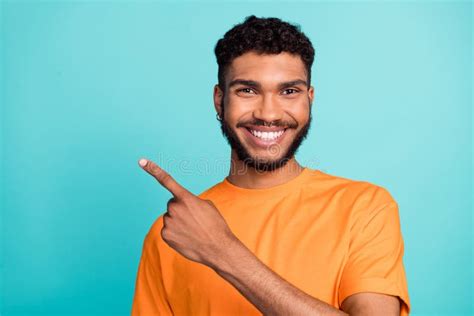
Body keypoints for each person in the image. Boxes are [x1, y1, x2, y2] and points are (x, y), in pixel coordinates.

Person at [131, 15, 410, 316]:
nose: (269, 113)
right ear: (219, 99)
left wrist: (222, 252)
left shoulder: (365, 208)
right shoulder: (173, 232)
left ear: (309, 99)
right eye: (247, 91)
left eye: (289, 91)